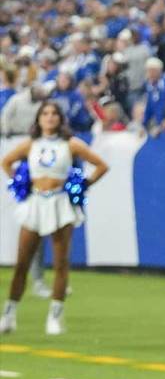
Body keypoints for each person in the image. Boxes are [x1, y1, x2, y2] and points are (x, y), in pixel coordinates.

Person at [0, 102, 108, 335]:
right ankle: (9, 314)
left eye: (54, 114)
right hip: (35, 203)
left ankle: (55, 316)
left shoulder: (71, 144)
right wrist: (21, 183)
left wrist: (83, 185)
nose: (50, 118)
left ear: (60, 119)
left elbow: (101, 165)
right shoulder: (31, 144)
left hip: (60, 203)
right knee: (22, 263)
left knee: (61, 263)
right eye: (45, 114)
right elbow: (6, 162)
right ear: (38, 119)